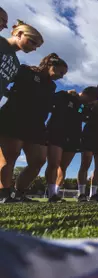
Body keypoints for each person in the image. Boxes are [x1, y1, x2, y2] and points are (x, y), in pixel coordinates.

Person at [0, 53, 67, 203]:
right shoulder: (25, 70)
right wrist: (9, 94)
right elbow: (4, 82)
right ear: (51, 66)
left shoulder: (52, 85)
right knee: (11, 155)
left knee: (38, 160)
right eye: (61, 72)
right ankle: (3, 193)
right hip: (14, 117)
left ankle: (19, 193)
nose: (62, 77)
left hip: (36, 125)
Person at [44, 85, 98, 202]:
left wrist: (90, 107)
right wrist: (67, 92)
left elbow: (85, 116)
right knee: (54, 163)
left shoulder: (83, 106)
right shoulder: (66, 96)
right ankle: (51, 193)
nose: (89, 102)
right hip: (57, 132)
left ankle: (55, 193)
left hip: (73, 137)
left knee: (63, 167)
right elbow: (50, 101)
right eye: (90, 99)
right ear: (86, 93)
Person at [0, 20, 43, 107]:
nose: (34, 48)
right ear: (19, 34)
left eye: (37, 46)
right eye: (33, 43)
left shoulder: (16, 63)